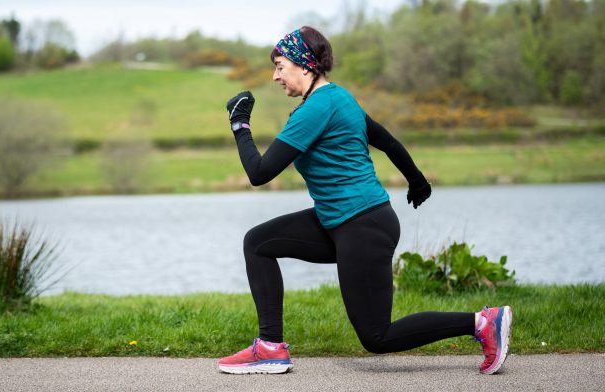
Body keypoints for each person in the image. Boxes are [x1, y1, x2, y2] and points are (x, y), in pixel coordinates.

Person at [219, 26, 512, 375]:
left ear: (304, 65)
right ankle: (269, 346)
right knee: (258, 242)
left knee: (377, 336)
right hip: (343, 221)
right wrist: (417, 181)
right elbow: (387, 141)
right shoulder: (340, 98)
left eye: (280, 66)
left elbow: (260, 172)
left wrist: (240, 124)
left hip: (362, 226)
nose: (275, 76)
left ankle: (482, 322)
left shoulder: (315, 110)